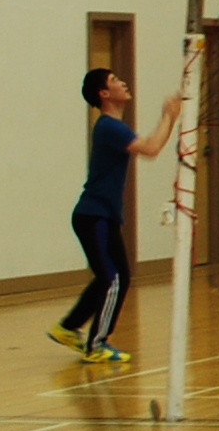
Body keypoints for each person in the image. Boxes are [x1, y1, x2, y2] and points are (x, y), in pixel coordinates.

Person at [54, 65, 183, 368]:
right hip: (93, 215)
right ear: (104, 93)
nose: (123, 83)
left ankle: (68, 328)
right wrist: (169, 116)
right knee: (111, 278)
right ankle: (96, 345)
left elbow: (150, 147)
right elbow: (151, 148)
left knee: (117, 277)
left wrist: (170, 117)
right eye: (114, 80)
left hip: (103, 215)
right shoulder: (109, 127)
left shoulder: (114, 127)